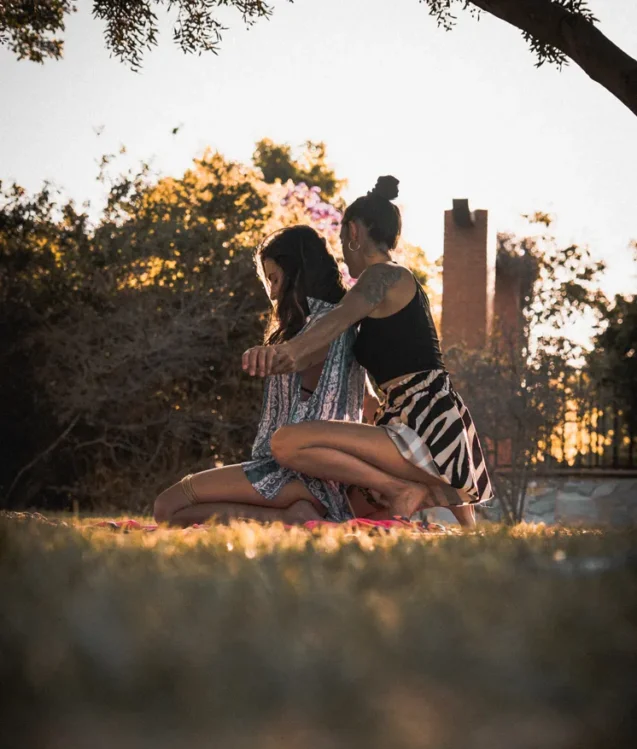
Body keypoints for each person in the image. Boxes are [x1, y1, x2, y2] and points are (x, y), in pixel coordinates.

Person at [242, 177, 493, 527]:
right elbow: (383, 388)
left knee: (285, 443)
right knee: (348, 512)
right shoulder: (391, 287)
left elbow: (339, 318)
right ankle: (457, 522)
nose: (343, 253)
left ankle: (402, 491)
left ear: (354, 232)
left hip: (423, 425)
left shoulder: (384, 276)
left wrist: (288, 350)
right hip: (424, 422)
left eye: (342, 240)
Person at [154, 225, 367, 526]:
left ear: (298, 272)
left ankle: (292, 516)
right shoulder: (340, 326)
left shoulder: (320, 329)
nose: (273, 292)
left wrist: (270, 354)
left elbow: (298, 356)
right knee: (174, 513)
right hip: (313, 484)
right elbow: (367, 402)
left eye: (275, 279)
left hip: (293, 476)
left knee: (166, 506)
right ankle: (289, 517)